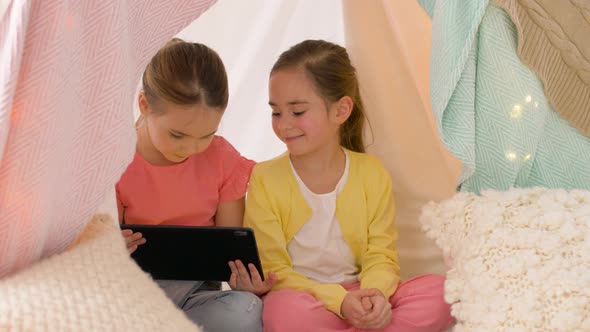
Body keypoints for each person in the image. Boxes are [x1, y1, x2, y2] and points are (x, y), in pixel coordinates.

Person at [240, 39, 455, 331]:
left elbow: (381, 254)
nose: (284, 123)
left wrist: (374, 296)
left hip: (364, 292)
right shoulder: (265, 178)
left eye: (297, 111)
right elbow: (274, 269)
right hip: (306, 299)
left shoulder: (371, 173)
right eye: (276, 112)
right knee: (283, 312)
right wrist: (339, 302)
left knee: (442, 293)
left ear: (341, 111)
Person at [116, 38, 265, 332]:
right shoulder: (117, 160)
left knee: (246, 310)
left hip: (197, 296)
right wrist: (111, 249)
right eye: (177, 135)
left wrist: (244, 281)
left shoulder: (222, 159)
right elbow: (99, 249)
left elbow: (229, 249)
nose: (193, 149)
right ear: (144, 104)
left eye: (206, 134)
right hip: (130, 294)